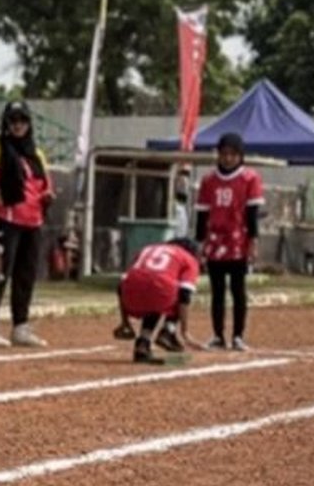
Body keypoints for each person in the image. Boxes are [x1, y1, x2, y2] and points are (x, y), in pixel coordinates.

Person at [0, 100, 54, 348]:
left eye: (22, 120)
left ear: (29, 123)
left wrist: (47, 197)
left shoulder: (37, 154)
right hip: (6, 221)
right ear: (6, 123)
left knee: (26, 276)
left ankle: (21, 326)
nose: (18, 125)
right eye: (13, 120)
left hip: (33, 222)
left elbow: (44, 186)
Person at [195, 132, 263, 351]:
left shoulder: (249, 178)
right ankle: (217, 335)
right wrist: (200, 242)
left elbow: (252, 214)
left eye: (233, 155)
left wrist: (253, 241)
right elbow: (202, 214)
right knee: (217, 291)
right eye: (224, 154)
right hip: (215, 240)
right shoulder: (208, 181)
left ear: (240, 156)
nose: (228, 159)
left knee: (238, 289)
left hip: (237, 240)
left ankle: (238, 335)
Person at [113, 238, 205, 362]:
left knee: (155, 292)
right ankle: (168, 331)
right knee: (166, 290)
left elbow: (121, 286)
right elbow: (184, 294)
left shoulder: (147, 249)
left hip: (130, 296)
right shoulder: (188, 258)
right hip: (160, 293)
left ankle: (143, 343)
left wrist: (125, 322)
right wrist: (185, 332)